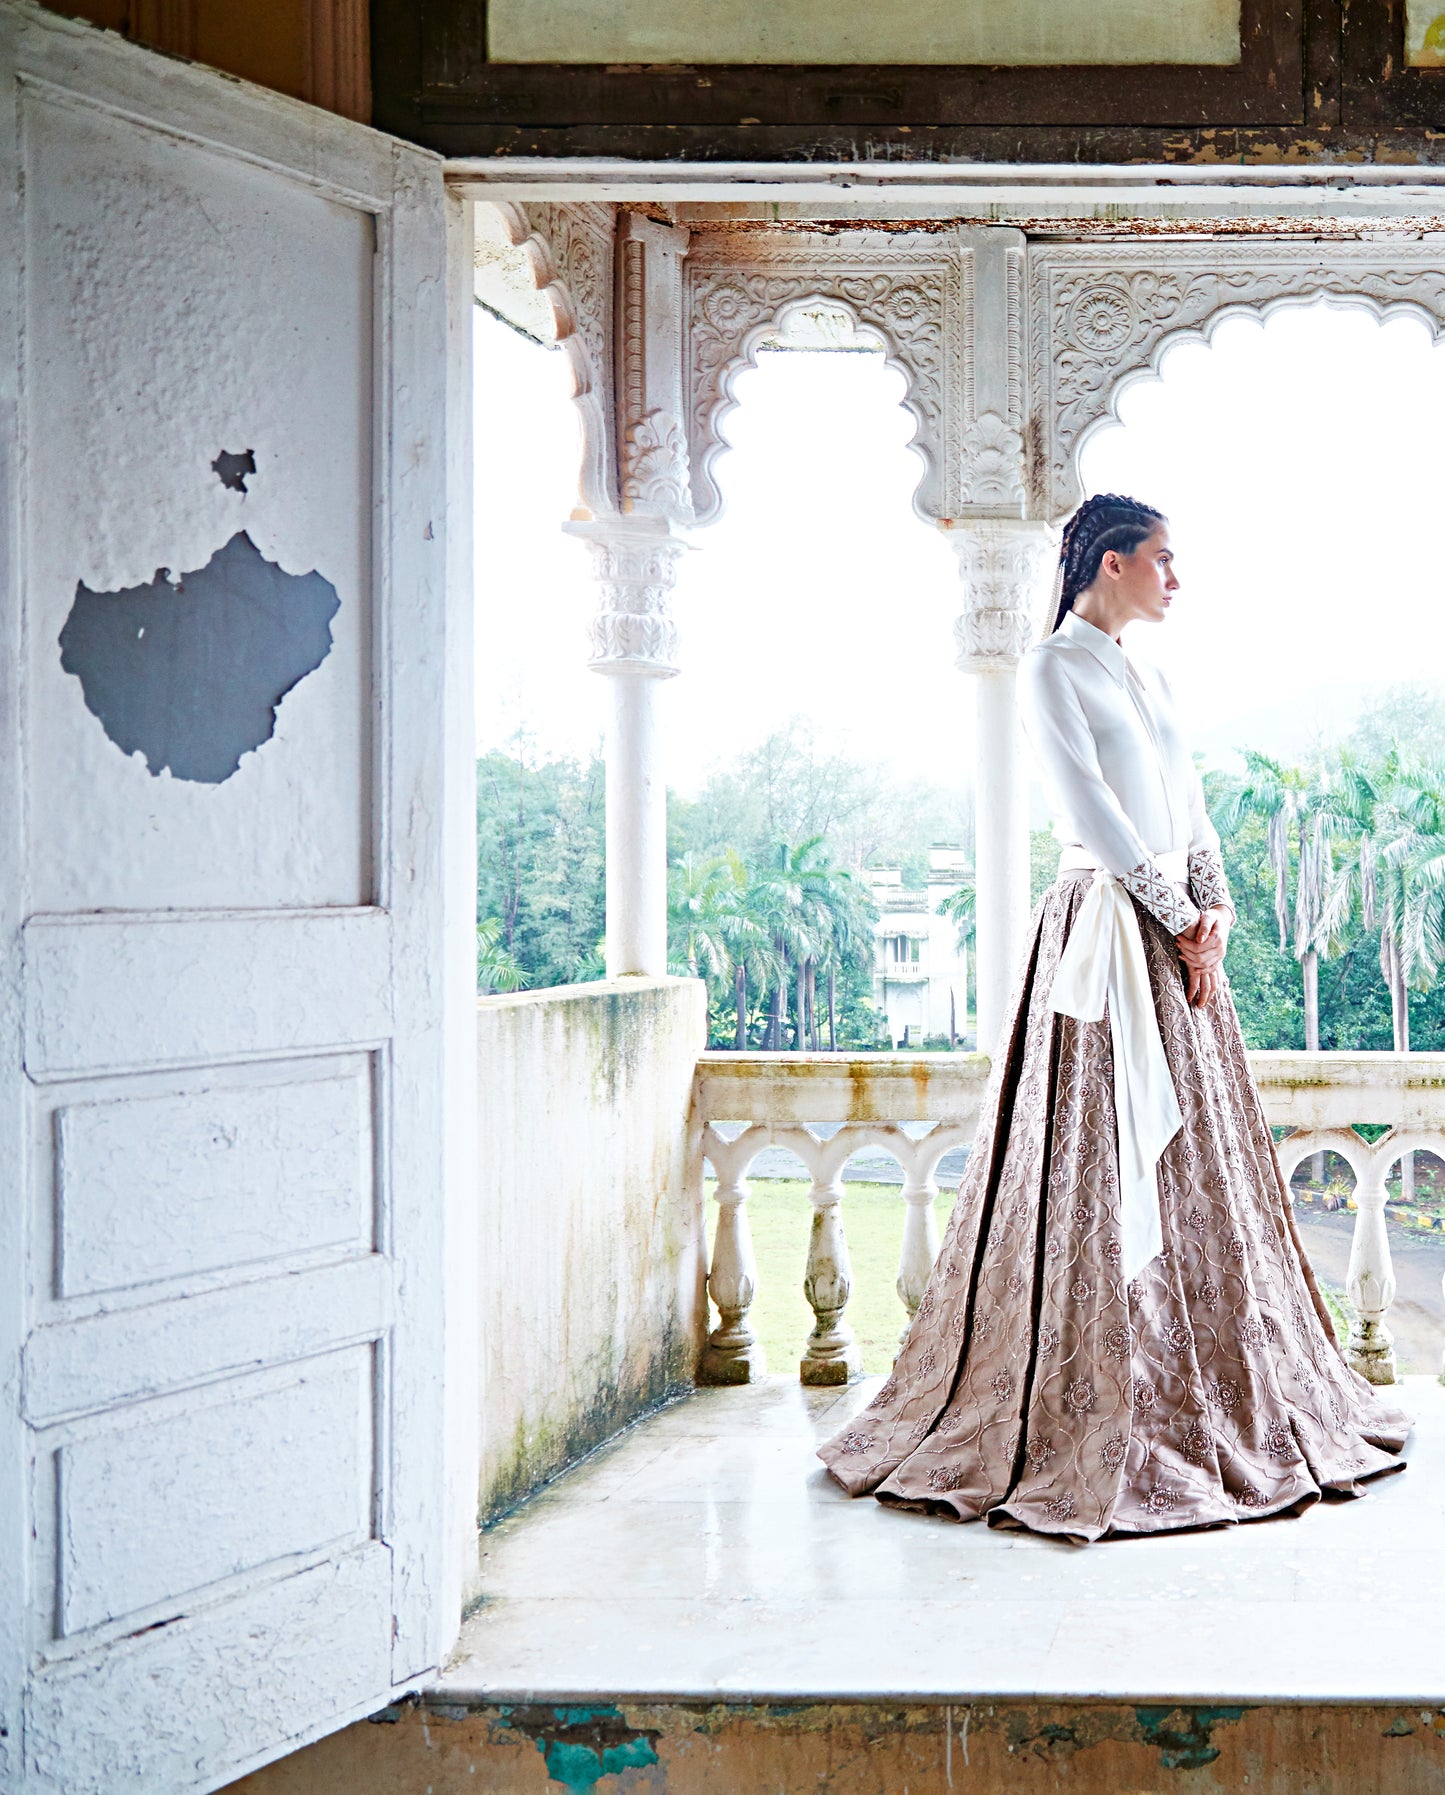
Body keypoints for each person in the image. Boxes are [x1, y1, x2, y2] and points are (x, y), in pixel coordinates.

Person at [818, 492, 1410, 1541]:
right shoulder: (1052, 666)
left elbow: (1186, 800)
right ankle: (1085, 1406)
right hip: (1104, 932)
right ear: (1107, 561)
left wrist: (1212, 910)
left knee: (1201, 1169)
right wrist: (1178, 914)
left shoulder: (1150, 671)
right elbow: (1088, 804)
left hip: (1178, 942)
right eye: (1161, 560)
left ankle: (1212, 1397)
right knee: (1091, 1167)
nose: (1175, 579)